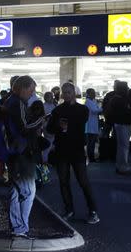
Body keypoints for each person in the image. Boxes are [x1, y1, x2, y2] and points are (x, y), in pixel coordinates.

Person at [47, 83, 99, 224]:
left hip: (76, 149)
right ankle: (69, 209)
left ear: (74, 93)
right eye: (64, 92)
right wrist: (58, 125)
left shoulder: (82, 110)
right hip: (62, 149)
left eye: (69, 92)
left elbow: (80, 123)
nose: (66, 94)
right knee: (64, 182)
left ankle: (92, 210)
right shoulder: (58, 110)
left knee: (83, 181)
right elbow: (50, 129)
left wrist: (62, 124)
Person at [4, 76, 43, 238]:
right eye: (31, 90)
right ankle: (20, 227)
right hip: (21, 152)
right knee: (27, 190)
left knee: (17, 189)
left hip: (13, 151)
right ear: (22, 88)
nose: (32, 93)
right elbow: (24, 127)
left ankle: (17, 226)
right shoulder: (18, 103)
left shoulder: (8, 102)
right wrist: (41, 119)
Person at [107, 81, 131, 176]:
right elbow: (127, 111)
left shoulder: (116, 98)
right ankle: (123, 167)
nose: (128, 89)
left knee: (121, 146)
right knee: (124, 147)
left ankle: (120, 166)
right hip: (123, 124)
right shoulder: (120, 99)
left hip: (120, 124)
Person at [85, 88, 102, 163]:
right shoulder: (88, 102)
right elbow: (95, 110)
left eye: (94, 93)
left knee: (92, 142)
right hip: (91, 125)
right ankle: (91, 157)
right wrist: (103, 108)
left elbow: (97, 109)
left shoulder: (93, 101)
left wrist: (100, 108)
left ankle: (91, 156)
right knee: (91, 142)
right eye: (92, 93)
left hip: (94, 123)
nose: (94, 94)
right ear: (88, 94)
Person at [42, 91, 56, 164]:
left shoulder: (53, 105)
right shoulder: (44, 106)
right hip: (47, 127)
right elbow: (44, 118)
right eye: (51, 97)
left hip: (53, 127)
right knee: (49, 143)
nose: (52, 98)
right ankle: (45, 160)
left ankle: (51, 159)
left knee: (53, 143)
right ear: (46, 98)